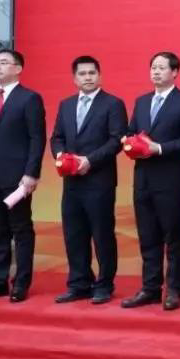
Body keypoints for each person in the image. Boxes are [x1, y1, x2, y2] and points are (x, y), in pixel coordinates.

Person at [121, 51, 180, 311]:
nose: (156, 72)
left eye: (161, 68)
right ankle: (150, 288)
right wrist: (129, 141)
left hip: (170, 179)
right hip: (142, 179)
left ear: (174, 72)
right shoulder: (142, 101)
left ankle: (175, 288)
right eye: (153, 67)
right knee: (147, 235)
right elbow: (132, 131)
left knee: (173, 235)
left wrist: (160, 148)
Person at [49, 55, 128, 305]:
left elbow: (117, 140)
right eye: (82, 74)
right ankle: (79, 283)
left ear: (99, 76)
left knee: (102, 235)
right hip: (71, 182)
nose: (88, 77)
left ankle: (104, 285)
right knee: (74, 234)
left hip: (99, 181)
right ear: (75, 79)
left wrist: (89, 161)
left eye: (92, 73)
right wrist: (60, 155)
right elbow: (57, 137)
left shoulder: (113, 104)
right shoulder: (66, 105)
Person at [0, 48, 46, 303]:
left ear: (18, 68)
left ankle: (21, 282)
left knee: (21, 230)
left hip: (17, 179)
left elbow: (37, 138)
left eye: (4, 62)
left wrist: (31, 174)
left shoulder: (29, 99)